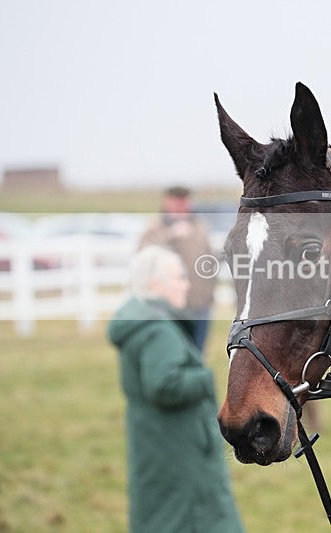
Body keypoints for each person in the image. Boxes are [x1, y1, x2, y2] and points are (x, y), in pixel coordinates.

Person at [108, 245, 244, 533]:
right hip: (181, 451)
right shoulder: (158, 330)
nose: (186, 285)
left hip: (159, 444)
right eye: (179, 277)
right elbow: (164, 385)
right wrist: (204, 378)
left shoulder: (144, 323)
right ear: (155, 284)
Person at [139, 186, 214, 353]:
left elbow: (208, 256)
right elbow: (145, 255)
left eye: (184, 201)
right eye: (177, 201)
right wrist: (170, 234)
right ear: (167, 202)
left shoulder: (199, 224)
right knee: (172, 352)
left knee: (197, 352)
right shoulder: (156, 226)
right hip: (170, 306)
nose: (181, 206)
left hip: (200, 303)